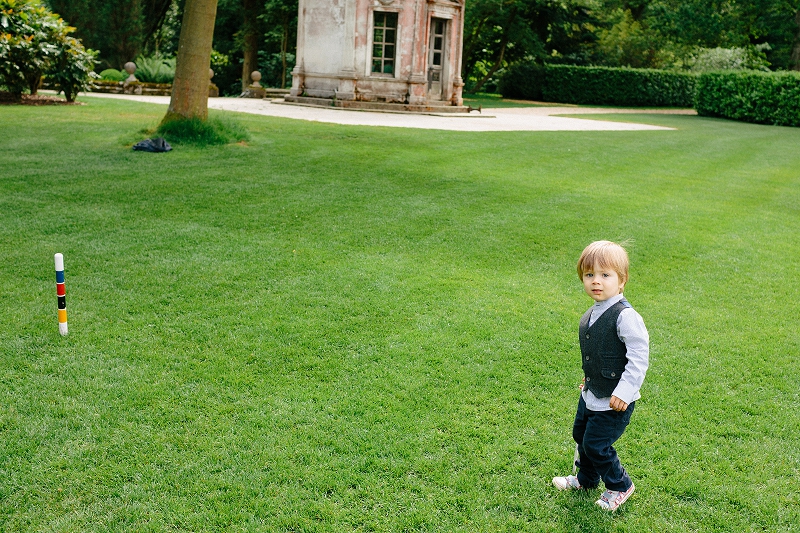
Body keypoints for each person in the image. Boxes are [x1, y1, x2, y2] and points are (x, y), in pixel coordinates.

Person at [552, 240, 649, 511]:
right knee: (580, 434)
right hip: (592, 394)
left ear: (622, 281)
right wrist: (591, 379)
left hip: (615, 401)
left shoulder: (626, 316)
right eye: (589, 275)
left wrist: (624, 391)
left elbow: (638, 358)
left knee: (596, 444)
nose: (596, 281)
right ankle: (586, 479)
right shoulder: (591, 314)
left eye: (605, 275)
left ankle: (620, 485)